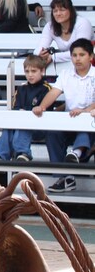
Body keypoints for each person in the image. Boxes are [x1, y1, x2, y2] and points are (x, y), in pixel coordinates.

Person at [37, 39, 95, 193]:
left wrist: (85, 111)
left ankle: (76, 154)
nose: (77, 58)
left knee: (86, 126)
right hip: (70, 122)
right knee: (52, 133)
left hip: (90, 125)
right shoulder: (65, 74)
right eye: (74, 55)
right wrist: (42, 106)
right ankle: (64, 176)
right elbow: (53, 92)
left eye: (82, 54)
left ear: (91, 56)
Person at [0, 55, 51, 162]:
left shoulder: (47, 89)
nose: (30, 75)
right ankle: (1, 156)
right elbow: (15, 107)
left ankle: (24, 153)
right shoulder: (21, 89)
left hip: (40, 126)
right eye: (27, 71)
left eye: (34, 71)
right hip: (22, 123)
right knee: (9, 126)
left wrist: (28, 113)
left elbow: (46, 110)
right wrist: (20, 112)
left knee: (23, 123)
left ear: (42, 71)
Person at [36, 0, 94, 72]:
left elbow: (80, 51)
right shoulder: (50, 26)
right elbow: (39, 48)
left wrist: (53, 57)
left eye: (62, 10)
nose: (58, 13)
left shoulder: (82, 23)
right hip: (67, 65)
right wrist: (40, 54)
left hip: (88, 64)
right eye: (55, 11)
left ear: (71, 11)